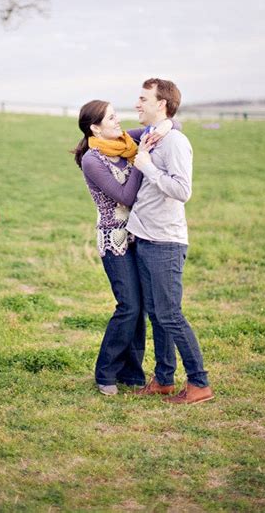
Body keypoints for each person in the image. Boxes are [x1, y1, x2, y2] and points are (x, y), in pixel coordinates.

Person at [74, 100, 173, 395]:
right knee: (128, 306)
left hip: (140, 234)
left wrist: (164, 126)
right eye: (111, 118)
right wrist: (142, 160)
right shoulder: (93, 159)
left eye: (117, 116)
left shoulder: (125, 140)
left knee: (140, 307)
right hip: (115, 240)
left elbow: (168, 126)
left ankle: (131, 374)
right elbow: (126, 196)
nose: (118, 122)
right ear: (95, 127)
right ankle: (105, 372)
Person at [128, 78, 214, 404]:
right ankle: (164, 378)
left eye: (143, 98)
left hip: (166, 242)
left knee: (170, 314)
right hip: (146, 238)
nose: (137, 104)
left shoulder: (175, 142)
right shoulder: (152, 136)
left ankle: (199, 383)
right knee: (156, 312)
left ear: (161, 103)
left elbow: (182, 191)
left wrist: (147, 167)